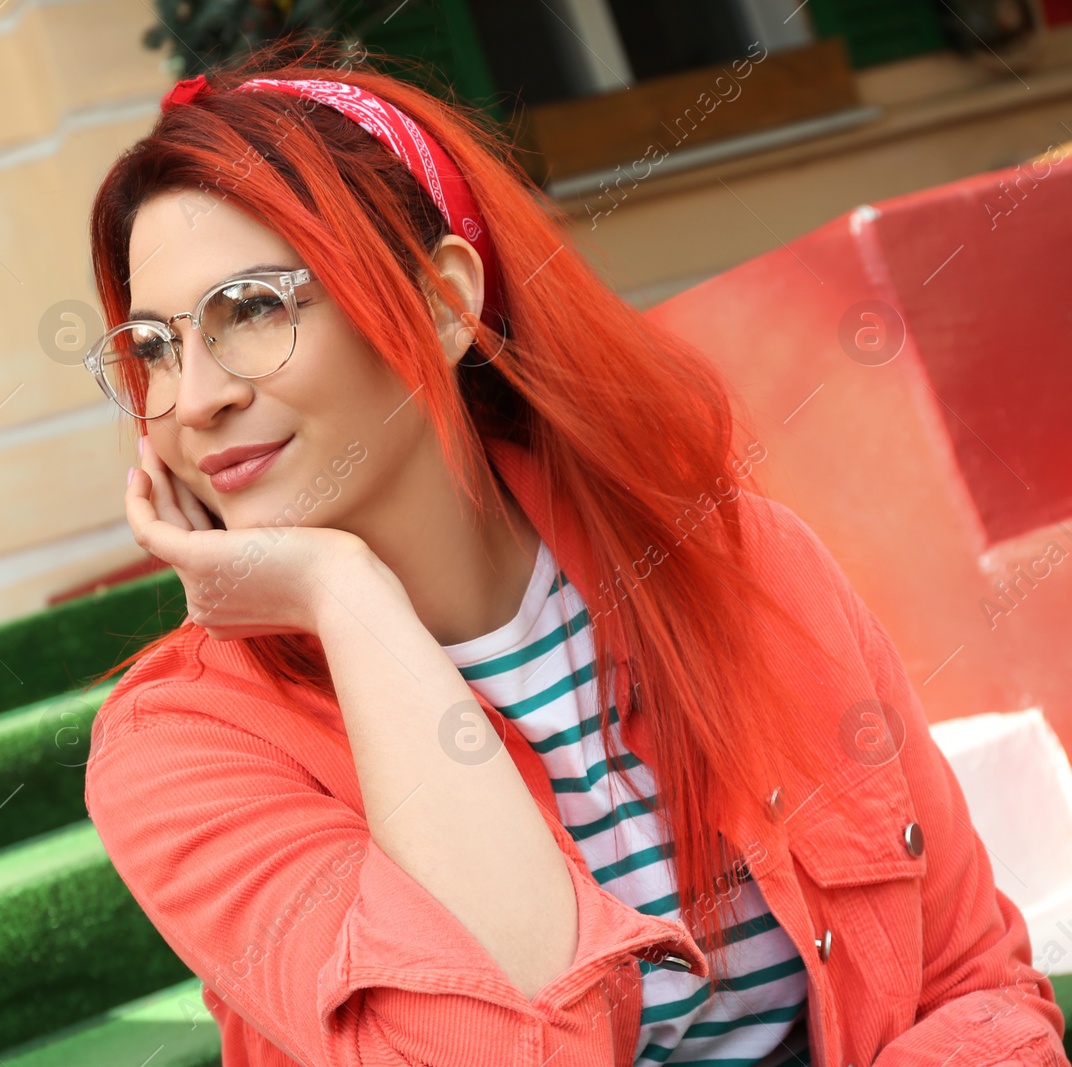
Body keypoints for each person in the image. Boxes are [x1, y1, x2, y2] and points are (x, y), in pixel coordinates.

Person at [76, 38, 1068, 1067]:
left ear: (443, 301)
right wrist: (344, 594)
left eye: (250, 311)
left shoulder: (736, 566)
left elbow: (975, 980)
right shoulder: (183, 748)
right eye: (152, 347)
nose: (193, 398)